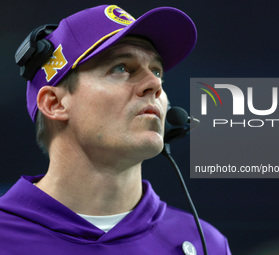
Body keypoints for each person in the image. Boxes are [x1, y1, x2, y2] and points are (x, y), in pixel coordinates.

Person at [0, 4, 232, 254]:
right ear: (54, 103)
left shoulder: (206, 242)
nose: (155, 84)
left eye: (156, 71)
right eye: (120, 68)